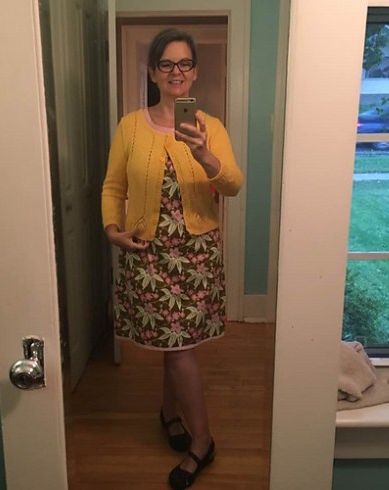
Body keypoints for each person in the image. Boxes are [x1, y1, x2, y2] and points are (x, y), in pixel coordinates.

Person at [101, 28, 243, 490]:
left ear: (195, 72)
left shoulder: (210, 127)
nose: (176, 72)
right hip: (147, 253)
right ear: (153, 72)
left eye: (184, 63)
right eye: (166, 63)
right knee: (170, 344)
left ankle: (202, 441)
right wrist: (112, 230)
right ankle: (169, 414)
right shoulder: (130, 126)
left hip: (195, 256)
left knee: (180, 348)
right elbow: (113, 187)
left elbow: (233, 185)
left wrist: (204, 154)